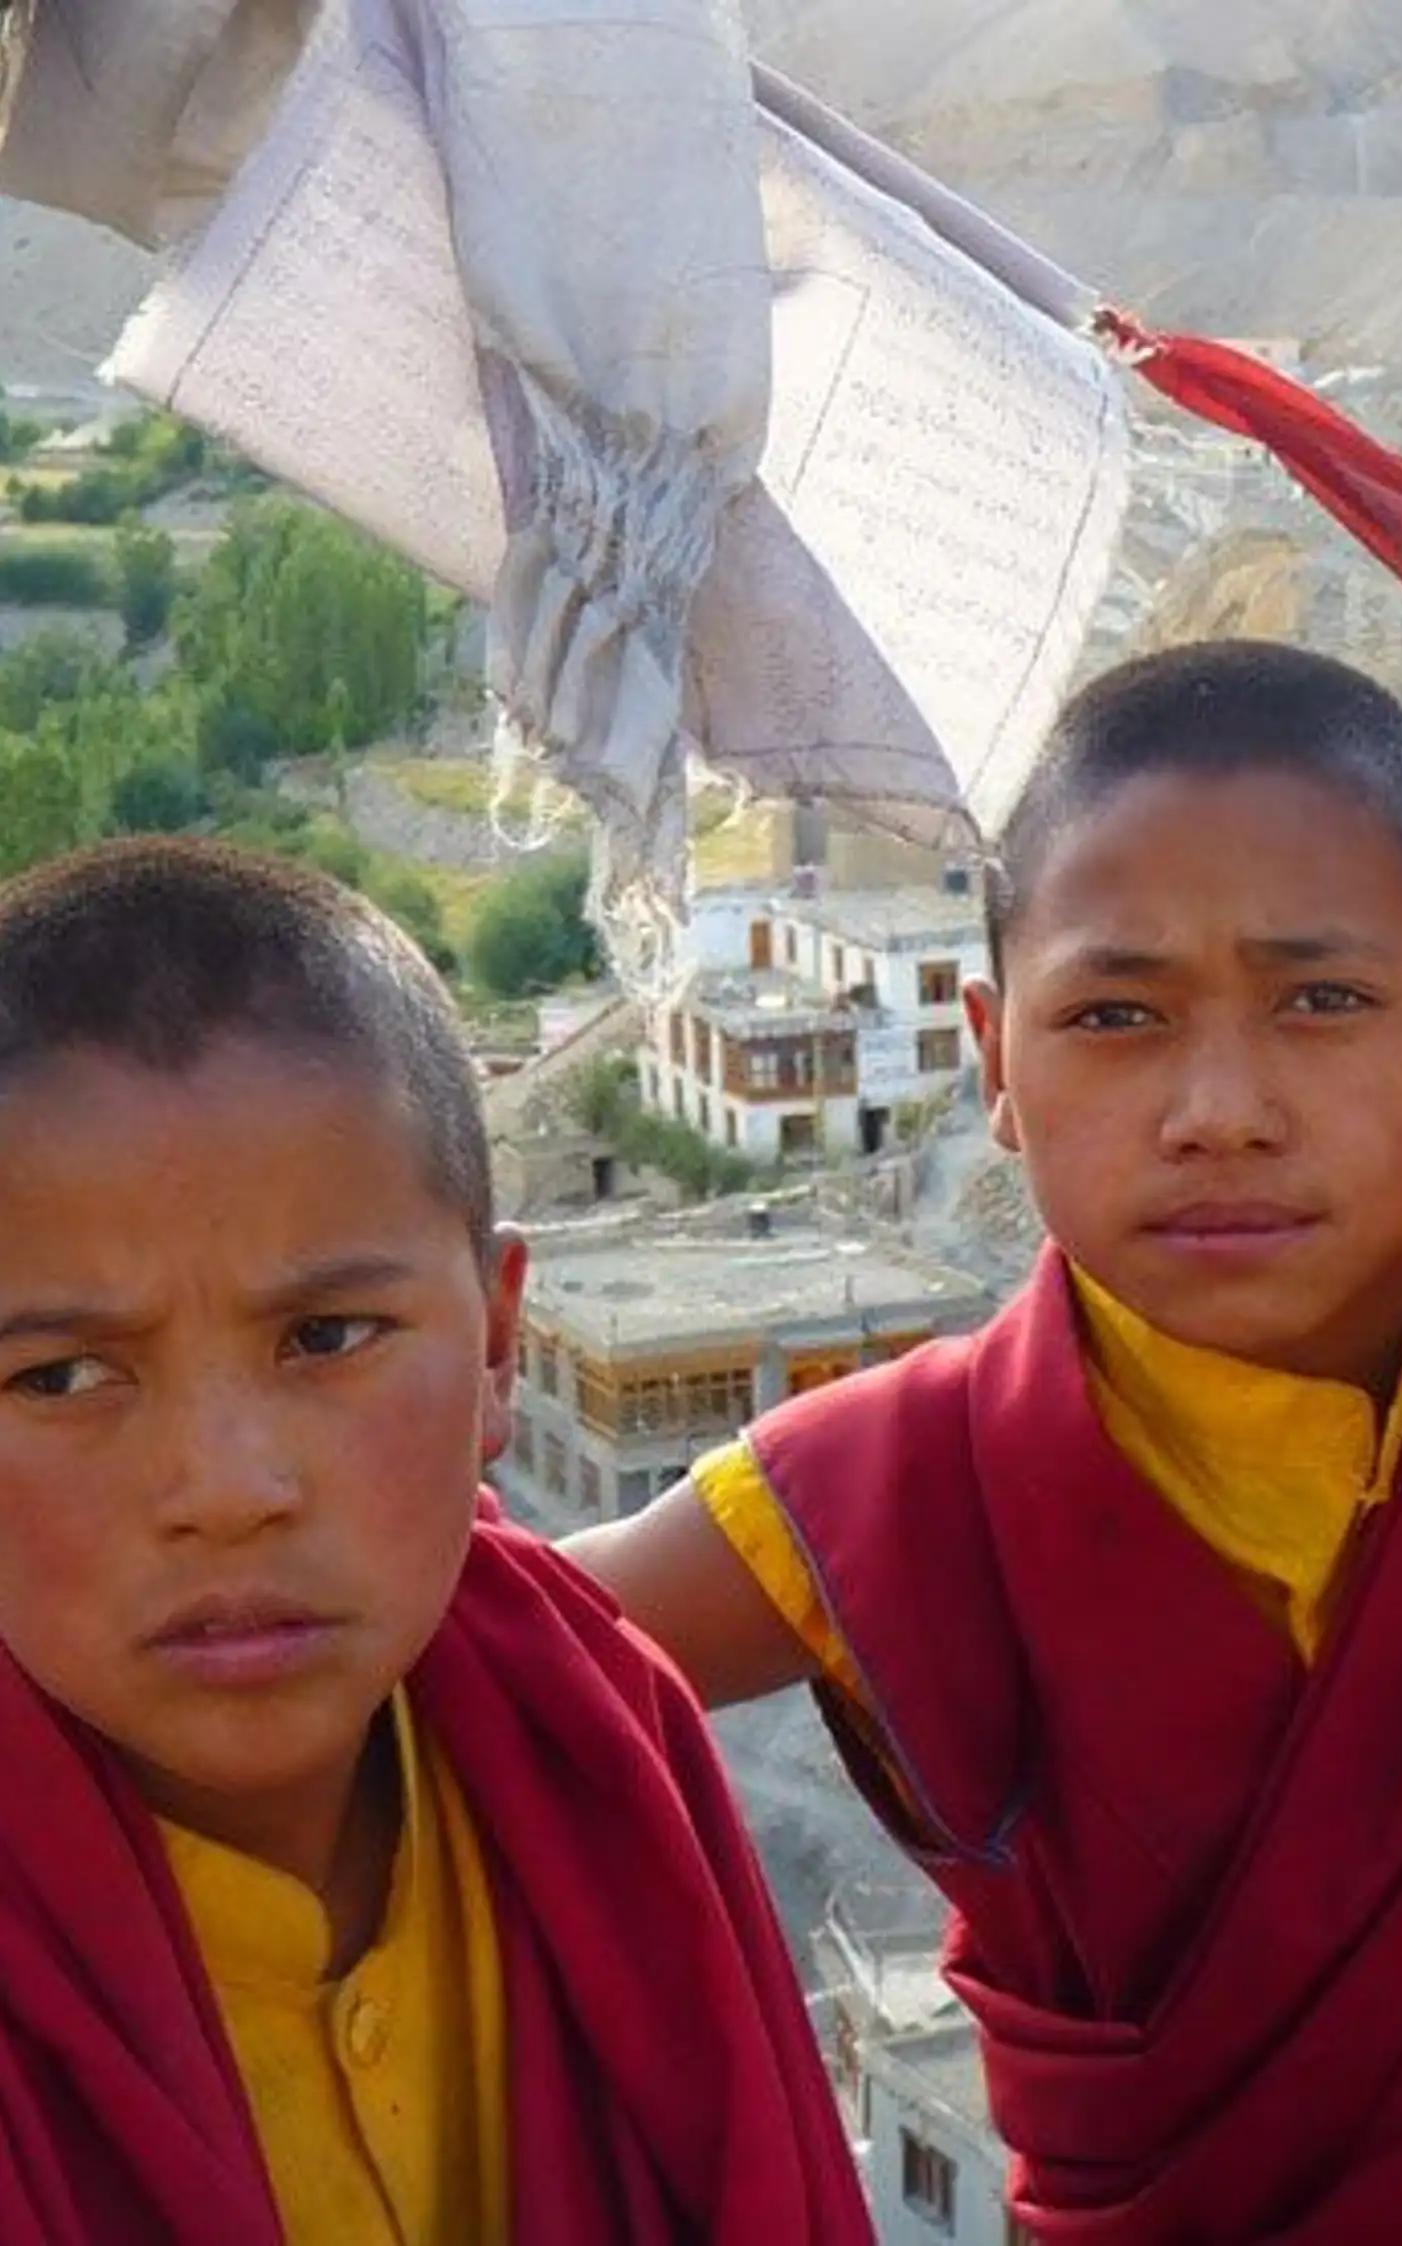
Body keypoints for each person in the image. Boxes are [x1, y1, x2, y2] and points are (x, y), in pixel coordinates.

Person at [570, 640, 1402, 2246]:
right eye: (1119, 1013)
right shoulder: (903, 1490)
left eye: (1323, 1001)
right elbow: (465, 1647)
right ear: (997, 1058)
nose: (1220, 1105)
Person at [0, 839, 872, 2246]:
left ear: (499, 1344)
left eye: (327, 1337)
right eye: (60, 1376)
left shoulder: (603, 1737)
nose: (226, 1488)